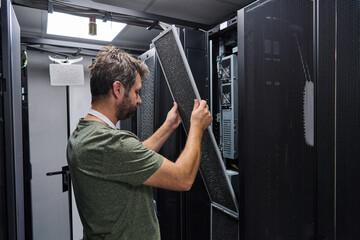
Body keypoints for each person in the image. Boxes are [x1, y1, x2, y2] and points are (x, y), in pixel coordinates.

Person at [67, 46, 212, 240]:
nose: (140, 100)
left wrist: (168, 127)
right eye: (136, 91)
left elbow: (131, 158)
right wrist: (197, 127)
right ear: (117, 89)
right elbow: (183, 178)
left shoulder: (83, 133)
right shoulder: (106, 142)